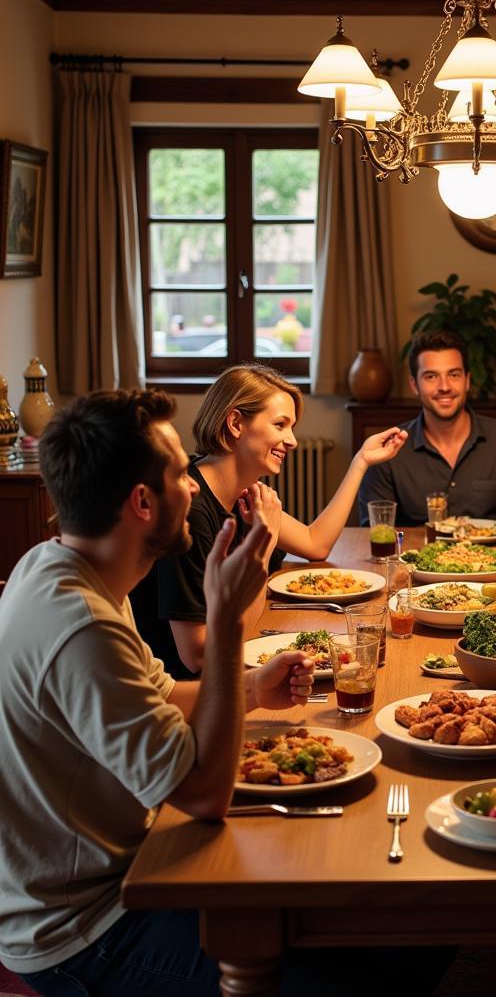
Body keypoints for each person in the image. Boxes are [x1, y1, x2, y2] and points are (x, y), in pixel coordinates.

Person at [0, 389, 316, 991]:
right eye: (179, 474)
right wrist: (225, 624)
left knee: (340, 924)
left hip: (128, 868)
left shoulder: (62, 565)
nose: (195, 486)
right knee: (348, 968)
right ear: (143, 502)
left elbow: (165, 695)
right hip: (86, 927)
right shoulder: (82, 626)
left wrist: (250, 689)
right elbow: (202, 795)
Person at [131, 363, 407, 676]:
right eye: (280, 425)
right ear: (235, 423)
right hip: (190, 693)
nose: (293, 441)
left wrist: (361, 461)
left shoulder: (242, 492)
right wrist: (263, 548)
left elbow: (315, 543)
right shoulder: (190, 511)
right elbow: (199, 656)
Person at [357, 329, 496, 527]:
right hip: (414, 556)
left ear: (467, 380)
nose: (444, 386)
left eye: (454, 374)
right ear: (414, 385)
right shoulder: (388, 451)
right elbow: (375, 530)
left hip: (492, 557)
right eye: (431, 376)